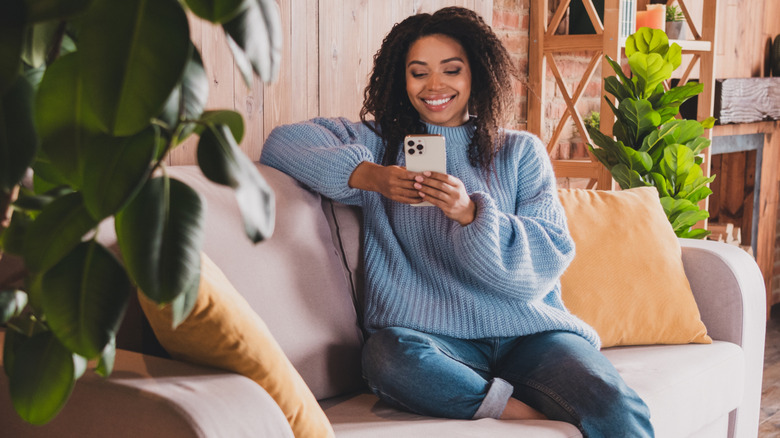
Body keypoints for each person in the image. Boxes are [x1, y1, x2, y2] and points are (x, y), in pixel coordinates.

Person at [260, 6, 654, 437]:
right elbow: (283, 143)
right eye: (418, 72)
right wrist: (371, 176)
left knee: (615, 403)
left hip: (531, 335)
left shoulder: (519, 152)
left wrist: (471, 214)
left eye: (452, 70)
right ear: (400, 79)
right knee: (386, 356)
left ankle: (508, 402)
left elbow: (545, 258)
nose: (434, 86)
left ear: (476, 75)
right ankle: (519, 414)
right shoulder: (378, 144)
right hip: (433, 342)